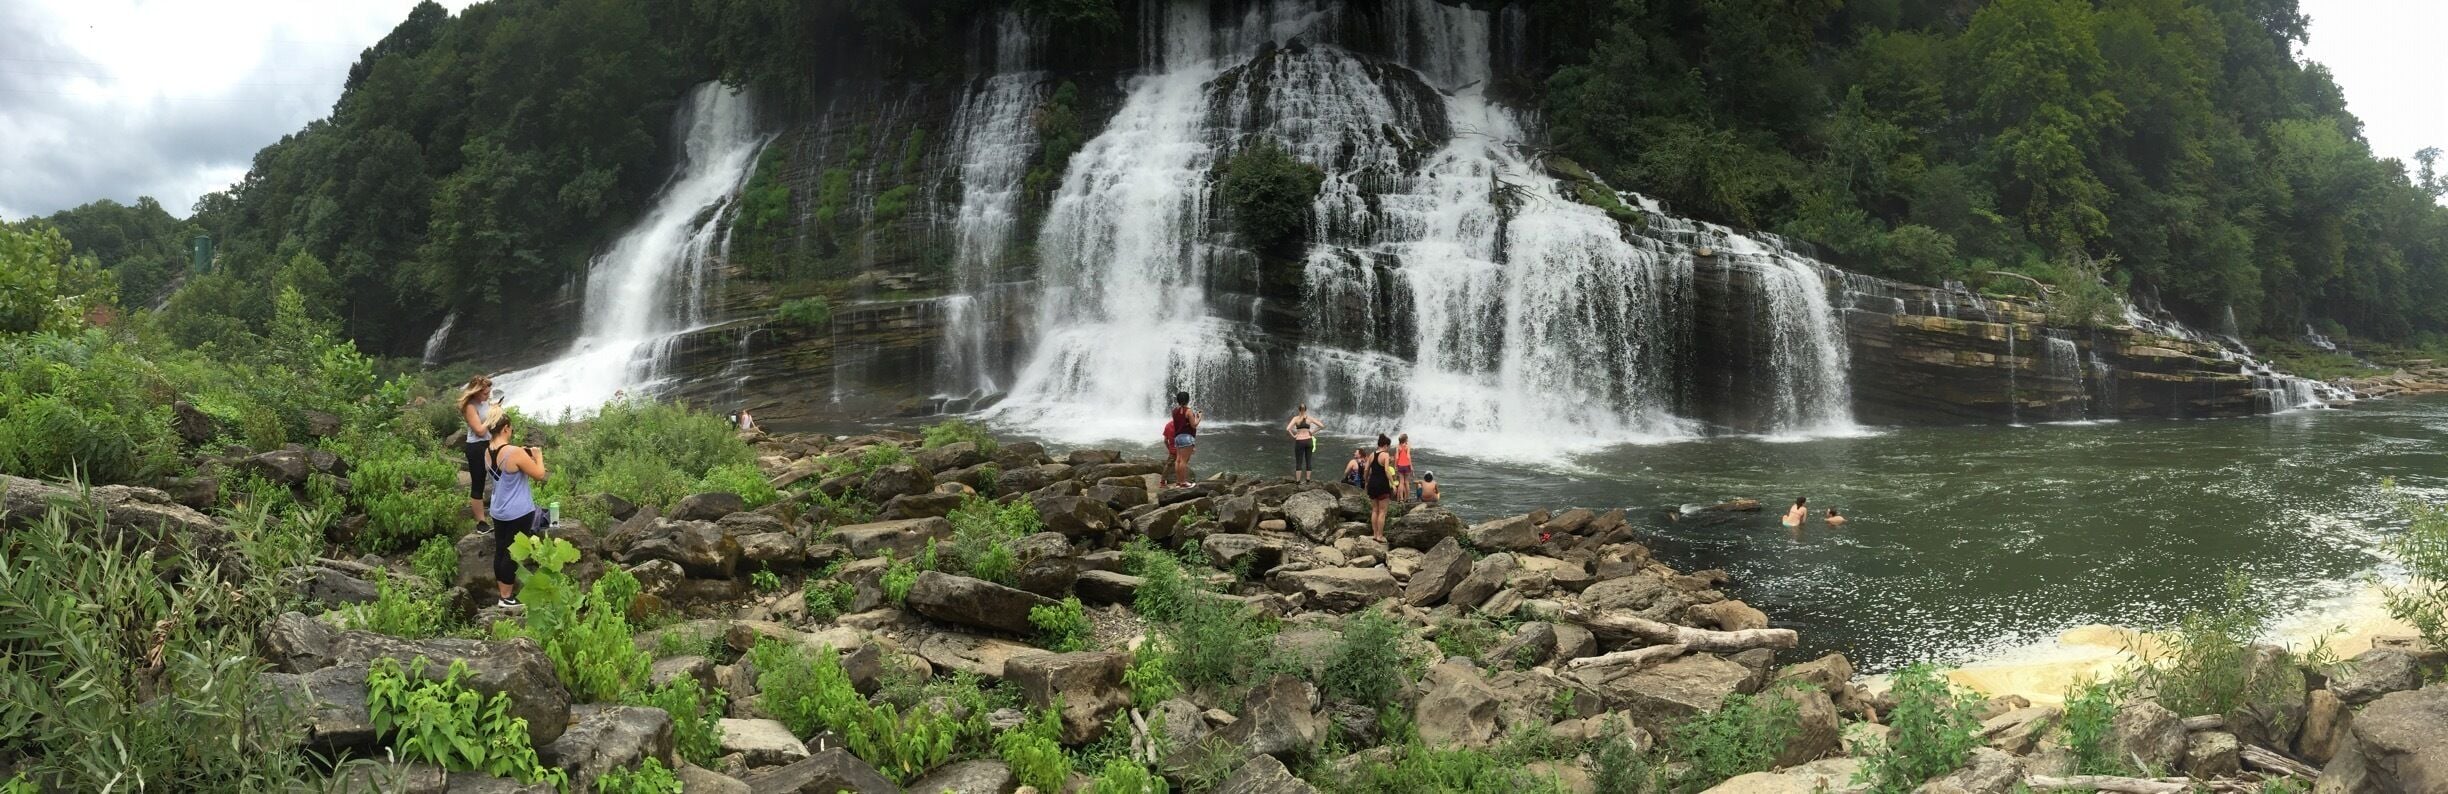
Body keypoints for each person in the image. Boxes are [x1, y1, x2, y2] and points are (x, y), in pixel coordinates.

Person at [486, 413, 549, 608]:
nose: (511, 431)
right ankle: (506, 598)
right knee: (512, 553)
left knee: (500, 550)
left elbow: (507, 467)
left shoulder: (487, 450)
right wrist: (538, 456)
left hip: (498, 509)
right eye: (511, 428)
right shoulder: (514, 452)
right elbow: (539, 475)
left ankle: (503, 594)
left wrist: (521, 454)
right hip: (518, 512)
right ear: (505, 428)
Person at [458, 375, 496, 531]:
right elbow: (480, 430)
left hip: (490, 444)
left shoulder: (484, 402)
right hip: (476, 447)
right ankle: (481, 522)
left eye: (489, 392)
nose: (488, 396)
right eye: (485, 393)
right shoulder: (470, 406)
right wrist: (493, 416)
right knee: (478, 483)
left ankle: (498, 515)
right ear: (476, 392)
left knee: (498, 479)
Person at [1365, 434, 1397, 542]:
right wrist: (1392, 484)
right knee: (1382, 511)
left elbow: (1366, 469)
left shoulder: (1371, 455)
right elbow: (1387, 470)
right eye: (1388, 446)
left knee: (1374, 510)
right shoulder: (1385, 455)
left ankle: (1374, 534)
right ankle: (1380, 535)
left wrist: (1366, 481)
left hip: (1372, 483)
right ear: (1386, 445)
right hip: (1382, 484)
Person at [1168, 391, 1201, 488]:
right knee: (1183, 461)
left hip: (1177, 437)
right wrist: (1199, 418)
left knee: (1178, 461)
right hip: (1186, 437)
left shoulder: (1174, 411)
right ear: (1187, 400)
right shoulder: (1188, 411)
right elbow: (1194, 425)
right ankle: (1183, 482)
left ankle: (1178, 482)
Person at [1286, 405, 1325, 482]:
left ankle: (1298, 481)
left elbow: (1288, 429)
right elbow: (1321, 426)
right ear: (1306, 410)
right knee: (1308, 460)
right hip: (1308, 440)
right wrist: (1312, 432)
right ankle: (1308, 480)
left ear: (1299, 410)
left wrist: (1294, 436)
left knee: (1299, 461)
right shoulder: (1309, 418)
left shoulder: (1295, 418)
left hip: (1299, 440)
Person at [1394, 433, 1415, 500]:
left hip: (1400, 465)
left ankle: (1401, 499)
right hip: (1407, 465)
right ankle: (1407, 498)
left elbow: (1397, 457)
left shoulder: (1398, 446)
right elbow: (1408, 456)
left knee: (1401, 482)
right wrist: (1411, 466)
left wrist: (1395, 466)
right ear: (1405, 439)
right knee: (1407, 482)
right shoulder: (1407, 446)